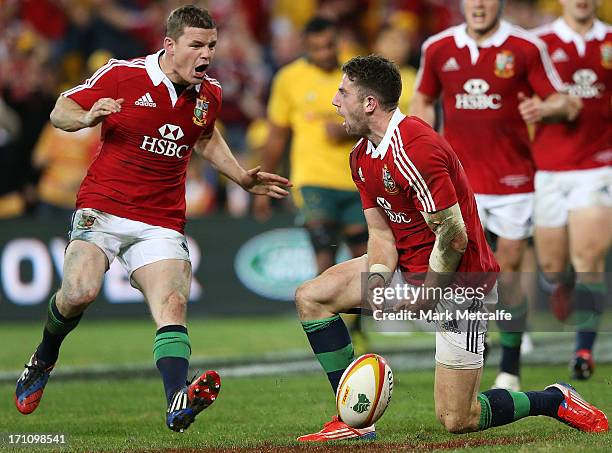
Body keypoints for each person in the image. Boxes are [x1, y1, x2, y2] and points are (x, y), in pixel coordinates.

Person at [294, 54, 608, 441]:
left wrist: (427, 295)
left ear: (369, 103)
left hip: (460, 283)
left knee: (459, 419)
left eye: (343, 92)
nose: (335, 101)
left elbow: (453, 237)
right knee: (312, 297)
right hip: (411, 273)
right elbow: (381, 235)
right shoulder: (361, 156)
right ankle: (353, 420)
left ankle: (553, 399)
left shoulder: (416, 148)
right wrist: (377, 277)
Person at [14, 5, 291, 433]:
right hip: (103, 208)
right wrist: (86, 117)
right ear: (170, 45)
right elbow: (60, 109)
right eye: (196, 45)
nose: (206, 55)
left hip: (160, 218)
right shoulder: (122, 74)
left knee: (173, 304)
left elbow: (204, 134)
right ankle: (44, 356)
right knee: (79, 292)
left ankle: (176, 400)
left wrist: (240, 177)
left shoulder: (209, 95)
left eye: (212, 46)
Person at [410, 0, 582, 391]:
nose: (480, 5)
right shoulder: (438, 47)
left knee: (507, 270)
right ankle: (470, 346)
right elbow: (422, 99)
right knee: (460, 272)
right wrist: (421, 141)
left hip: (512, 180)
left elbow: (564, 100)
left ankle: (511, 365)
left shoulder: (525, 47)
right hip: (457, 181)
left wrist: (545, 107)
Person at [254, 17, 369, 351]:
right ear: (306, 46)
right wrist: (262, 183)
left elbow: (376, 121)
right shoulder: (288, 79)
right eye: (316, 47)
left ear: (338, 43)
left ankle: (356, 324)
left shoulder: (355, 77)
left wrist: (351, 127)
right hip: (312, 179)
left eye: (329, 45)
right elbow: (277, 134)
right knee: (323, 244)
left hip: (355, 179)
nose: (323, 52)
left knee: (365, 255)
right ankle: (325, 327)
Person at [530, 0, 611, 380]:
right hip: (548, 169)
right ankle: (561, 283)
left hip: (598, 167)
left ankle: (583, 351)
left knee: (589, 257)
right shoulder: (538, 44)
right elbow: (520, 100)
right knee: (553, 264)